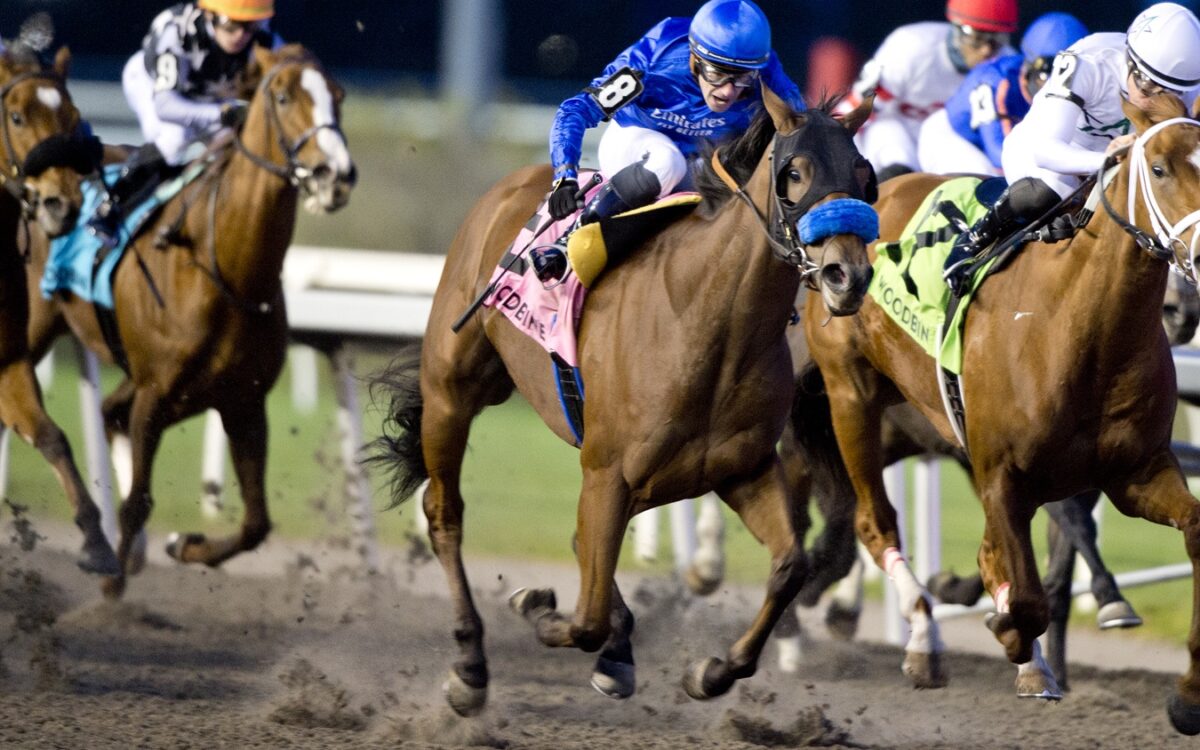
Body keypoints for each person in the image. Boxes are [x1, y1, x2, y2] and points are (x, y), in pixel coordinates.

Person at [529, 0, 807, 284]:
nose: (727, 91)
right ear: (694, 58)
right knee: (667, 161)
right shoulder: (652, 62)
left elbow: (804, 133)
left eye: (742, 78)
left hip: (702, 160)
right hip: (635, 142)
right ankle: (570, 238)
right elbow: (575, 109)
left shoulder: (767, 74)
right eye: (716, 74)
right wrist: (564, 177)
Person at [943, 2, 1200, 295]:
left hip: (1122, 159)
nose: (1149, 100)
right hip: (1048, 152)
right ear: (1129, 59)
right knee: (1053, 190)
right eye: (1144, 84)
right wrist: (1107, 160)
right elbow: (1045, 150)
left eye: (1167, 91)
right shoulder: (1090, 62)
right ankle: (973, 241)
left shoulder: (1188, 87)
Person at [87, 0, 282, 246]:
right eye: (231, 25)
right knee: (174, 140)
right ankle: (109, 210)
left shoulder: (266, 38)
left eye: (249, 26)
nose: (241, 36)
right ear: (209, 15)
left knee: (237, 149)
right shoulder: (177, 33)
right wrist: (221, 114)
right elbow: (166, 106)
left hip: (208, 97)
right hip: (153, 88)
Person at [842, 0, 1018, 181]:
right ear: (956, 29)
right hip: (899, 130)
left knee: (981, 180)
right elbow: (857, 109)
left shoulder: (1006, 67)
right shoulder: (912, 48)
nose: (986, 50)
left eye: (996, 41)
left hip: (949, 140)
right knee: (898, 167)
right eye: (977, 38)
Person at [919, 12, 1088, 176]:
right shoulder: (996, 82)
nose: (1060, 82)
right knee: (986, 182)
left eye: (1073, 71)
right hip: (954, 138)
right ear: (1028, 65)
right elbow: (999, 154)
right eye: (1050, 70)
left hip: (1001, 141)